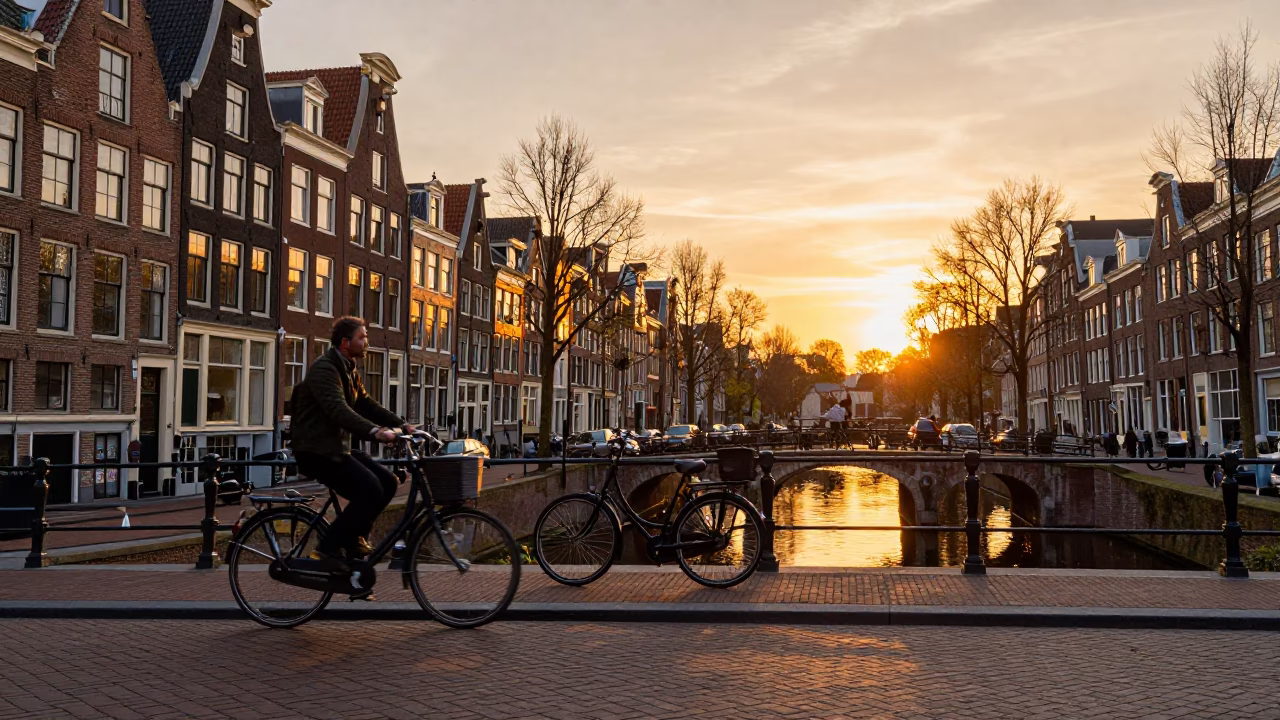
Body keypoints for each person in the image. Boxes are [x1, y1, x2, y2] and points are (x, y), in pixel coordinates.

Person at [289, 317, 415, 567]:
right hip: (317, 450)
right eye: (362, 337)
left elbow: (365, 403)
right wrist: (375, 432)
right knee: (370, 489)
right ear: (345, 343)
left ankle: (353, 537)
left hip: (336, 447)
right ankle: (327, 549)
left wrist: (401, 424)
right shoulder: (325, 370)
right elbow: (338, 410)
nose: (366, 341)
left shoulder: (348, 368)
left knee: (388, 482)